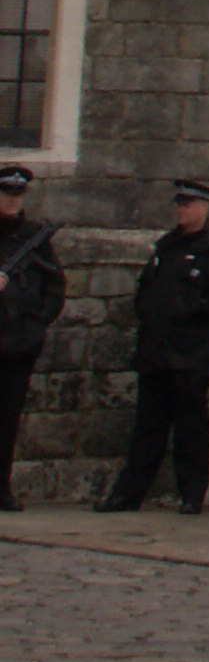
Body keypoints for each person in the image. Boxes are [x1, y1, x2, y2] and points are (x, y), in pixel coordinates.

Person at [97, 179, 209, 516]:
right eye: (179, 205)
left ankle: (192, 494)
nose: (182, 211)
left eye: (188, 205)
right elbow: (148, 292)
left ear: (204, 208)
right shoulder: (166, 247)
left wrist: (195, 309)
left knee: (191, 427)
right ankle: (128, 494)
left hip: (192, 353)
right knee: (148, 426)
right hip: (157, 350)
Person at [0, 163, 66, 512]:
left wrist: (36, 324)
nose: (12, 200)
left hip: (17, 344)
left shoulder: (34, 238)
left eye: (17, 194)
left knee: (7, 420)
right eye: (6, 194)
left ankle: (1, 487)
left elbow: (54, 286)